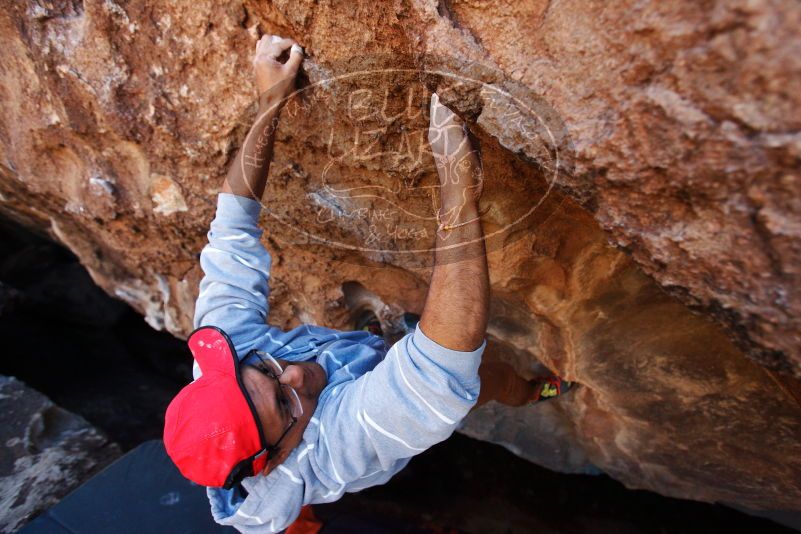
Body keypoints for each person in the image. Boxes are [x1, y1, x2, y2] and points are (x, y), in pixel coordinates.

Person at [163, 34, 572, 532]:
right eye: (284, 401)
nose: (292, 374)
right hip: (344, 436)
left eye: (268, 370)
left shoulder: (229, 353)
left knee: (325, 374)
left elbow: (232, 226)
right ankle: (540, 392)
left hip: (293, 422)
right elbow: (437, 374)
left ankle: (369, 356)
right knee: (483, 382)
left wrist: (269, 99)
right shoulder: (340, 446)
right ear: (276, 457)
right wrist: (459, 193)